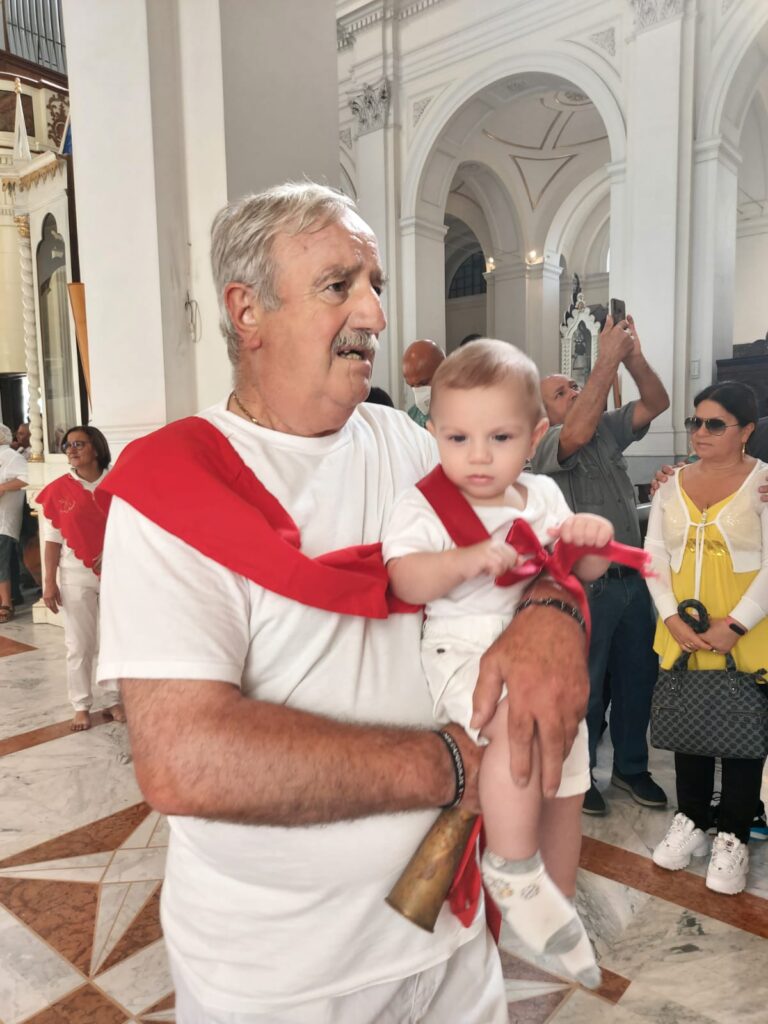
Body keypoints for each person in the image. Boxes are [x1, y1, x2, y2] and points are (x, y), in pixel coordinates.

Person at [95, 182, 589, 1024]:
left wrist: (552, 613)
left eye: (377, 284)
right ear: (247, 310)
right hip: (287, 975)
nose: (375, 314)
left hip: (451, 932)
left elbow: (538, 544)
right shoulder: (174, 487)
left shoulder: (407, 444)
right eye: (339, 285)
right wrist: (454, 766)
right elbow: (187, 759)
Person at [383, 339, 613, 988]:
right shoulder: (422, 505)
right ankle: (512, 867)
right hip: (463, 649)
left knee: (567, 769)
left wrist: (587, 536)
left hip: (540, 652)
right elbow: (405, 579)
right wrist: (464, 559)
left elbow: (584, 572)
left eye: (500, 436)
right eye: (457, 437)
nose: (477, 456)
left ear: (537, 434)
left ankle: (555, 899)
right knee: (517, 725)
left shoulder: (541, 496)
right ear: (433, 433)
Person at [532, 314, 670, 816]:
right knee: (584, 688)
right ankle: (581, 774)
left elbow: (658, 402)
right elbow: (577, 428)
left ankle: (632, 767)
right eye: (562, 392)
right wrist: (604, 362)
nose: (574, 393)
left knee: (638, 679)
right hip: (583, 591)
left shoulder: (606, 434)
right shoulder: (546, 446)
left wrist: (632, 357)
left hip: (631, 584)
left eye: (576, 387)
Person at [646, 382, 768, 894]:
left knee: (742, 731)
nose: (699, 432)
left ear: (746, 431)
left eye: (715, 424)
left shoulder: (763, 484)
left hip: (747, 631)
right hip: (682, 629)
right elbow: (652, 554)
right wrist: (671, 618)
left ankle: (735, 832)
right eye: (696, 422)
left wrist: (734, 624)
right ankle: (692, 818)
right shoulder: (671, 483)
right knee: (689, 724)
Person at [39, 426, 124, 731]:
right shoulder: (59, 488)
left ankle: (114, 699)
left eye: (79, 444)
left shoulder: (119, 483)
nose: (71, 450)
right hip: (75, 575)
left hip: (119, 573)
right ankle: (80, 704)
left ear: (97, 449)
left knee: (113, 639)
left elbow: (137, 526)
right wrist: (49, 582)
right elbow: (52, 540)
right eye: (67, 445)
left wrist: (115, 549)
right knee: (79, 643)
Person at [0, 424, 28, 623]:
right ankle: (12, 596)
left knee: (2, 562)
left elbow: (27, 478)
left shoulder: (10, 455)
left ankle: (6, 604)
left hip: (4, 518)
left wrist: (1, 487)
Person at [403, 338, 444, 427]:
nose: (418, 392)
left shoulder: (464, 412)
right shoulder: (412, 416)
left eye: (423, 383)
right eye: (412, 386)